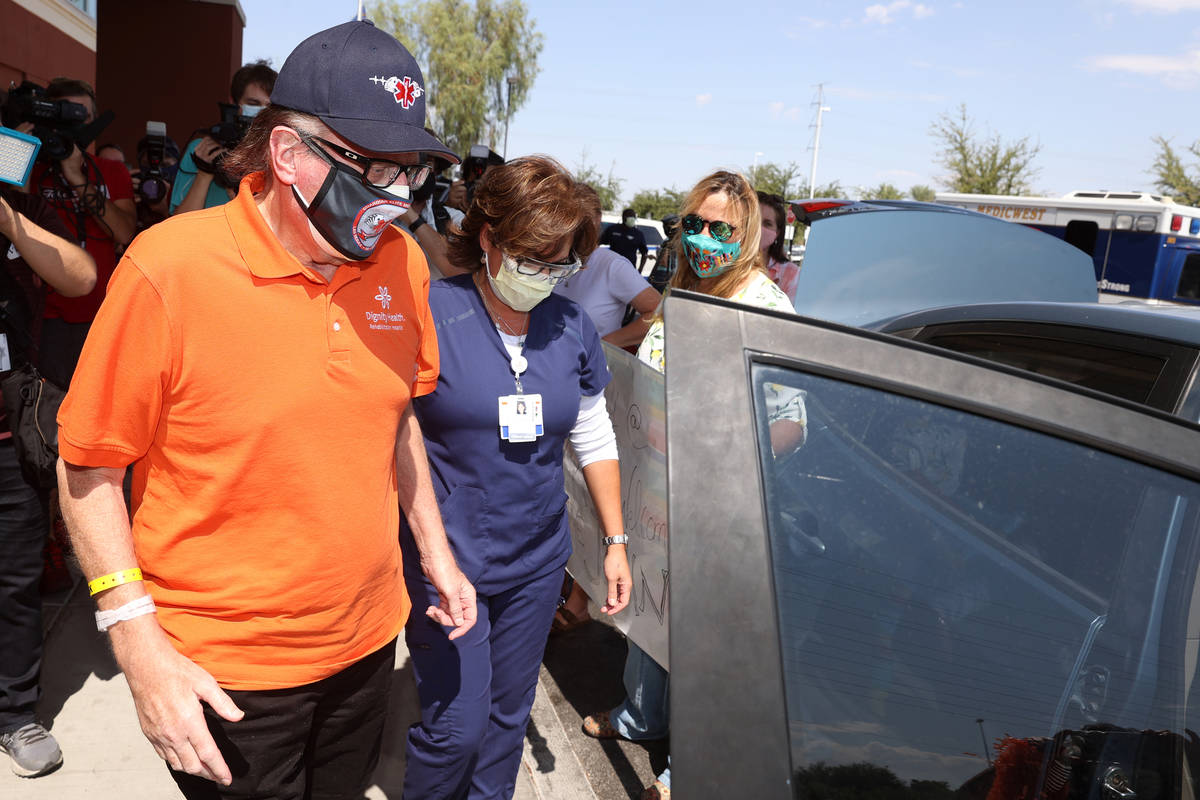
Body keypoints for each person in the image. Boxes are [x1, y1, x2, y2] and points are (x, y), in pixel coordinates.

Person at [55, 20, 476, 800]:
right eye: (376, 167)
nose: (396, 196)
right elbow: (87, 467)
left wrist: (437, 555)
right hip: (229, 675)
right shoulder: (169, 270)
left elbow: (397, 417)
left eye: (410, 172)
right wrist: (139, 648)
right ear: (289, 155)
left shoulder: (402, 264)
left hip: (364, 647)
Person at [400, 155, 632, 799]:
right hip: (447, 557)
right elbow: (392, 436)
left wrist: (613, 544)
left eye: (561, 262)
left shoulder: (572, 327)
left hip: (536, 559)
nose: (546, 276)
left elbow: (593, 434)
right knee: (456, 727)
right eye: (533, 259)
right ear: (488, 238)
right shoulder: (430, 313)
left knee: (507, 717)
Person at [583, 170, 805, 800]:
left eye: (721, 229)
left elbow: (790, 424)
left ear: (750, 236)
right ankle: (640, 717)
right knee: (653, 613)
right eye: (694, 226)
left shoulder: (766, 308)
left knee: (707, 637)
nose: (704, 239)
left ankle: (690, 769)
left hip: (719, 503)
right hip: (658, 495)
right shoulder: (681, 291)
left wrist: (714, 455)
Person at [0, 185, 95, 779]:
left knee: (14, 581)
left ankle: (14, 712)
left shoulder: (18, 205)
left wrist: (10, 223)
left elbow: (81, 277)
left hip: (8, 434)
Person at [31, 78, 136, 388]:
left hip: (101, 314)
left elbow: (123, 231)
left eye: (81, 117)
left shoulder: (111, 170)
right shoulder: (32, 168)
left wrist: (76, 175)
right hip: (43, 316)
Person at [554, 187, 662, 349]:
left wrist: (604, 346)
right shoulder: (551, 260)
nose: (574, 231)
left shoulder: (613, 266)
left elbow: (658, 314)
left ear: (597, 219)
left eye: (581, 223)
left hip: (587, 370)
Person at [169, 60, 277, 216]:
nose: (260, 112)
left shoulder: (277, 156)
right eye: (253, 103)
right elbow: (178, 224)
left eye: (268, 107)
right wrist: (205, 173)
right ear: (233, 102)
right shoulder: (202, 150)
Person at [758, 190, 799, 304]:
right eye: (755, 220)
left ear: (777, 233)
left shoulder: (791, 273)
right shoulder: (728, 260)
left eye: (767, 224)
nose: (758, 228)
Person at [599, 207, 648, 271]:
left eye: (633, 216)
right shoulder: (612, 229)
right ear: (623, 218)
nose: (632, 218)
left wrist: (640, 270)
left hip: (629, 269)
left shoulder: (638, 234)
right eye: (630, 216)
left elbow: (644, 253)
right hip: (612, 267)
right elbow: (599, 242)